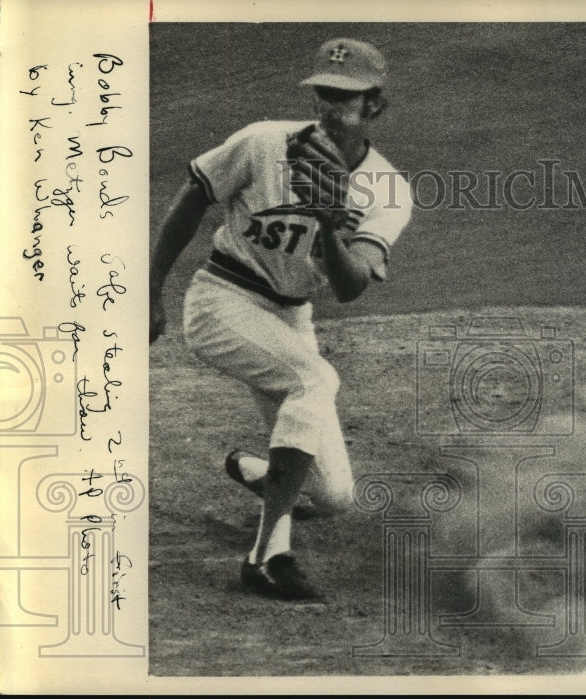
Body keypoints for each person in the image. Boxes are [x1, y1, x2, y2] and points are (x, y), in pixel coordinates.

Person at [149, 38, 413, 599]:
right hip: (221, 300)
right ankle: (267, 557)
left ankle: (257, 470)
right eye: (324, 93)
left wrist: (329, 222)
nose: (331, 106)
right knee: (313, 380)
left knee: (335, 497)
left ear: (374, 104)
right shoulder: (264, 141)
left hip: (290, 318)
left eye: (346, 96)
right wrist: (151, 290)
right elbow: (192, 197)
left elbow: (349, 287)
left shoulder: (388, 190)